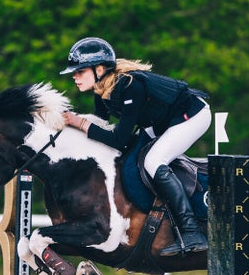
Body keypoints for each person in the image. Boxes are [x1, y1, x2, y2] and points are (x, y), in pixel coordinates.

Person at [59, 36, 211, 256]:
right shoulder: (102, 91)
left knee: (152, 162)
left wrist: (79, 122)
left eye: (80, 71)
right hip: (161, 122)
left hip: (191, 116)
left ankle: (191, 231)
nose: (74, 76)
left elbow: (118, 138)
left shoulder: (130, 86)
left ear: (99, 69)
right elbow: (101, 127)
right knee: (131, 159)